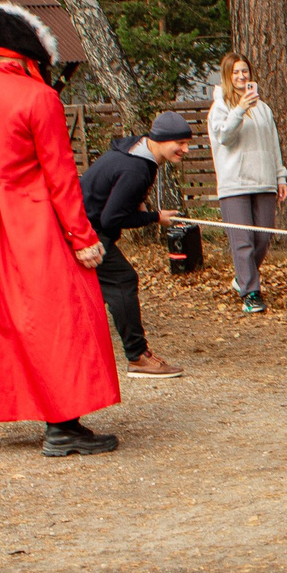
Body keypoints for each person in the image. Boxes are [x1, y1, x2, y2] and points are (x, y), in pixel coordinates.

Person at [0, 3, 122, 459]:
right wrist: (82, 239)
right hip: (26, 221)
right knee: (53, 315)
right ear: (27, 56)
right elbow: (59, 177)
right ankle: (62, 425)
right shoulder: (38, 98)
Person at [78, 112, 193, 379]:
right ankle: (138, 357)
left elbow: (115, 196)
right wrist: (154, 217)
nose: (186, 149)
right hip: (84, 230)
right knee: (122, 279)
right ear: (161, 140)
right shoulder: (137, 168)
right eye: (180, 143)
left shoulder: (137, 151)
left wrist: (136, 203)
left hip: (82, 224)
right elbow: (111, 217)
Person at [208, 53, 287, 314]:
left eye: (245, 71)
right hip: (235, 184)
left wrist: (280, 176)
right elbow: (224, 137)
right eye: (236, 72)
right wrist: (240, 108)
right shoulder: (220, 107)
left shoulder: (263, 108)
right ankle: (251, 293)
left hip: (264, 181)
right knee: (242, 241)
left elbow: (273, 144)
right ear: (227, 76)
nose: (242, 77)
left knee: (262, 239)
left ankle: (243, 277)